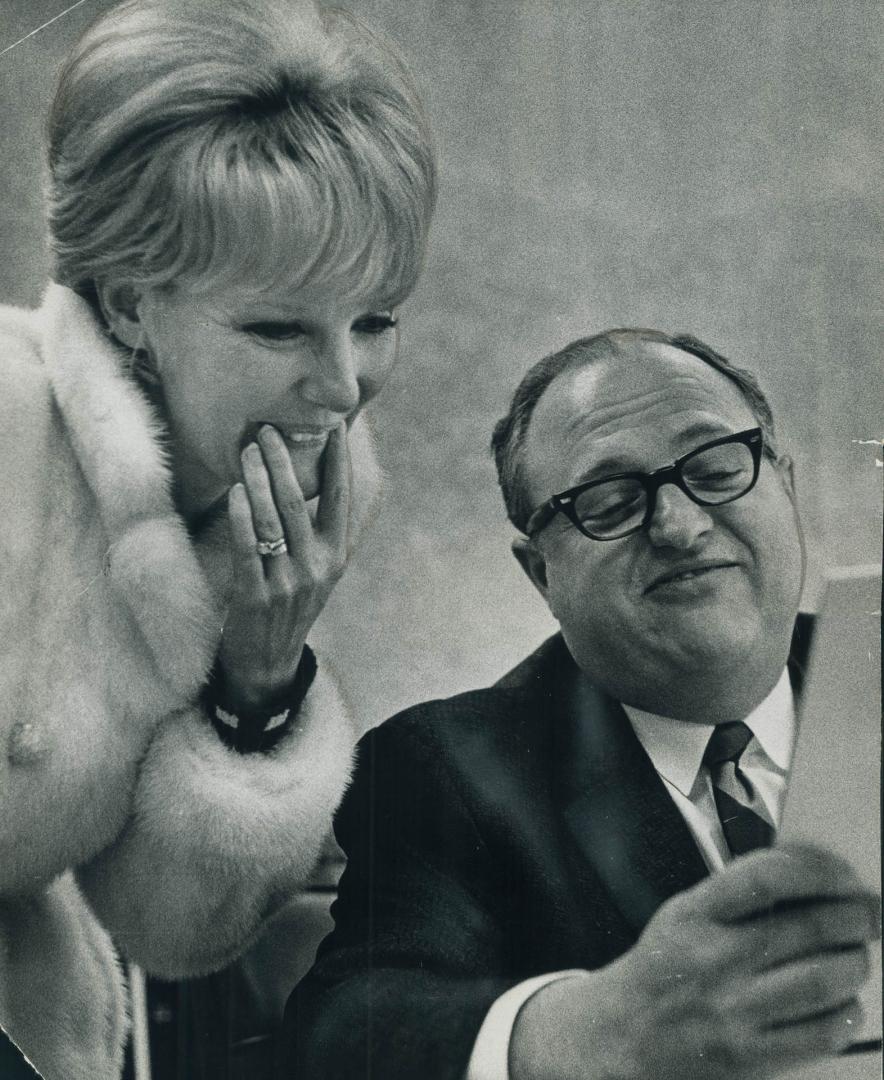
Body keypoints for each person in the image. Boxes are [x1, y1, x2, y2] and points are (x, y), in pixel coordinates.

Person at [0, 0, 436, 1077]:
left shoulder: (315, 488)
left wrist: (260, 677)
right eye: (278, 326)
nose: (341, 387)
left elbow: (171, 929)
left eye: (375, 318)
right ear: (132, 304)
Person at [285, 329, 879, 1079]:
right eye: (609, 501)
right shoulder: (445, 769)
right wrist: (599, 1031)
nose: (681, 525)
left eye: (720, 467)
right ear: (542, 573)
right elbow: (344, 1033)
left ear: (784, 487)